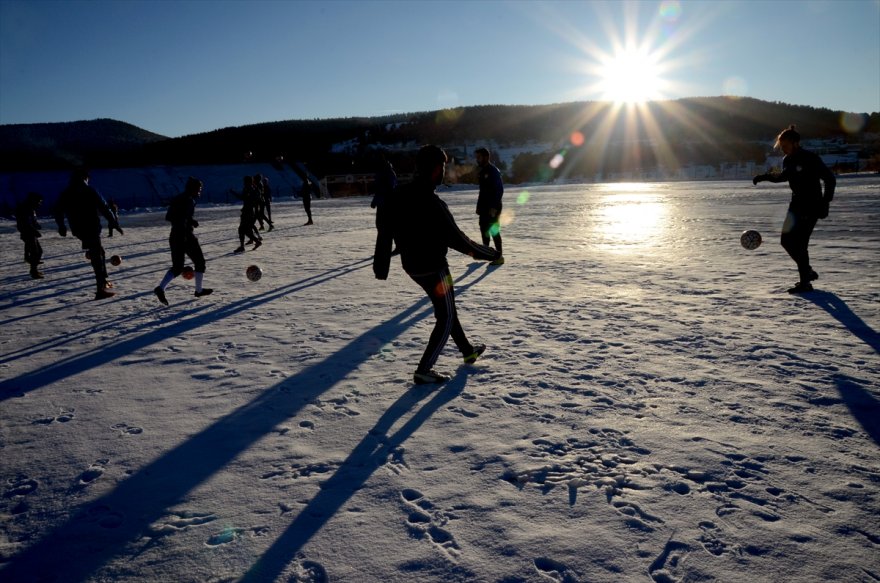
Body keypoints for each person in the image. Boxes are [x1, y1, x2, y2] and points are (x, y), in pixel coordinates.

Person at [374, 144, 500, 385]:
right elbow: (460, 240)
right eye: (442, 167)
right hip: (434, 268)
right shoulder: (433, 204)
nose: (444, 171)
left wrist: (381, 266)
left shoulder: (398, 194)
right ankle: (424, 368)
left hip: (412, 267)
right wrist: (491, 254)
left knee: (447, 308)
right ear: (434, 170)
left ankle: (467, 350)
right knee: (446, 316)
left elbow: (384, 229)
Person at [752, 125, 836, 294]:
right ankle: (807, 272)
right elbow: (783, 176)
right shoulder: (787, 160)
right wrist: (765, 176)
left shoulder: (810, 158)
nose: (782, 149)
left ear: (795, 143)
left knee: (800, 244)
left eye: (785, 146)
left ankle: (805, 282)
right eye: (781, 146)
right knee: (786, 241)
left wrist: (825, 202)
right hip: (796, 205)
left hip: (811, 206)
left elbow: (829, 179)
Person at [54, 168, 123, 300]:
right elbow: (104, 207)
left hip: (78, 229)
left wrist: (61, 226)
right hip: (91, 227)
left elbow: (58, 210)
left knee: (99, 252)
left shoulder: (66, 193)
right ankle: (100, 289)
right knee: (97, 256)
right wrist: (114, 223)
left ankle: (104, 281)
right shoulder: (89, 190)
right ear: (85, 177)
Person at [153, 177, 213, 305]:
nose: (200, 190)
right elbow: (181, 217)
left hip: (174, 235)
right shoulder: (189, 200)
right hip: (185, 235)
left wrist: (189, 220)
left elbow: (169, 217)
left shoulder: (178, 198)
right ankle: (198, 290)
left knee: (178, 267)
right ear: (192, 188)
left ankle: (160, 288)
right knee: (200, 262)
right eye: (199, 188)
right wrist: (187, 225)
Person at [474, 147, 505, 266]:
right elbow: (482, 192)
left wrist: (494, 206)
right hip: (484, 206)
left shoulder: (493, 171)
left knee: (494, 231)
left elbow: (499, 190)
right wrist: (479, 206)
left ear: (486, 157)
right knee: (483, 229)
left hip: (493, 207)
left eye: (479, 157)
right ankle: (486, 253)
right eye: (476, 157)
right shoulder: (482, 171)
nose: (477, 160)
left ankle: (499, 256)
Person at [16, 192, 44, 279]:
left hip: (30, 232)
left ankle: (30, 261)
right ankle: (33, 271)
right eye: (39, 201)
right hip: (28, 232)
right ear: (33, 200)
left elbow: (32, 220)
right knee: (36, 252)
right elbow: (25, 223)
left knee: (37, 251)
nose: (40, 203)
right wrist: (34, 231)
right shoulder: (25, 208)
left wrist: (36, 225)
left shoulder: (30, 208)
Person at [234, 175, 262, 253]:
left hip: (248, 212)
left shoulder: (250, 189)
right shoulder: (250, 189)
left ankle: (244, 246)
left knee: (242, 229)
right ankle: (255, 242)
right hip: (248, 211)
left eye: (245, 181)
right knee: (244, 230)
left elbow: (244, 198)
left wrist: (234, 193)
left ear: (248, 182)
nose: (244, 183)